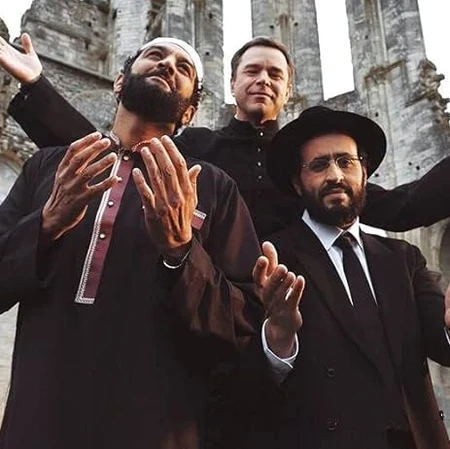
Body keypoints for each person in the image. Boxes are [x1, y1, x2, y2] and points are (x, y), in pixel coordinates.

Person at [0, 36, 262, 449]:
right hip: (38, 422)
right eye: (155, 55)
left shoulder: (213, 188)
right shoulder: (50, 167)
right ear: (119, 82)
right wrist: (46, 224)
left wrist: (182, 251)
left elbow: (242, 327)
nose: (168, 65)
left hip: (156, 429)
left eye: (183, 67)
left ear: (189, 112)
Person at [2, 35, 450, 239]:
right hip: (204, 309)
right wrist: (39, 89)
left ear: (287, 92)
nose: (263, 80)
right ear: (232, 84)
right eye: (251, 71)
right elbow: (114, 163)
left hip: (293, 319)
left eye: (275, 74)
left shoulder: (311, 165)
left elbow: (401, 208)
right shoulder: (197, 147)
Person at [229, 106, 450, 449]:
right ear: (296, 183)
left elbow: (441, 340)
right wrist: (278, 336)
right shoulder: (272, 261)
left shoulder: (403, 259)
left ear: (364, 172)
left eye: (346, 162)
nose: (335, 175)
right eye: (319, 165)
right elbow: (245, 383)